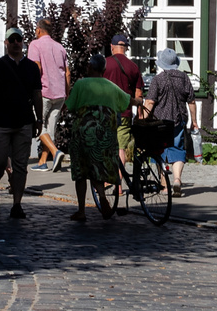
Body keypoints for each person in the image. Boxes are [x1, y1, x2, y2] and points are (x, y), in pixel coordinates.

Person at [0, 27, 42, 218]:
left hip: (24, 121)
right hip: (1, 122)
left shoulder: (32, 67)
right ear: (6, 42)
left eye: (19, 39)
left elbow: (37, 95)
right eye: (13, 39)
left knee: (19, 166)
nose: (17, 43)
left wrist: (39, 118)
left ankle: (17, 204)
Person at [64, 54, 132, 221]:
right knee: (99, 168)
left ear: (90, 67)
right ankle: (102, 197)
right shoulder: (111, 86)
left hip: (83, 133)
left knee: (81, 171)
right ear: (104, 69)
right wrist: (139, 101)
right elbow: (126, 103)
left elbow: (70, 106)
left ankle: (81, 211)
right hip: (105, 134)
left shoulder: (80, 84)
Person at [141, 49, 197, 195]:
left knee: (158, 151)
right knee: (178, 150)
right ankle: (177, 180)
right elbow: (191, 101)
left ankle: (164, 186)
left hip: (160, 122)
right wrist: (194, 121)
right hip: (179, 120)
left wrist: (143, 119)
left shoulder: (158, 79)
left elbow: (150, 102)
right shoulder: (184, 78)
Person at [27, 18, 69, 171]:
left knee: (38, 125)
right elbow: (67, 73)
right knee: (50, 129)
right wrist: (67, 95)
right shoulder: (60, 48)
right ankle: (42, 162)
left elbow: (35, 68)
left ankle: (55, 151)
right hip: (60, 93)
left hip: (44, 92)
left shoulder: (35, 45)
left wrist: (31, 89)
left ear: (38, 30)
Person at [103, 34, 144, 189]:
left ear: (112, 46)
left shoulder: (105, 64)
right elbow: (138, 95)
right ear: (125, 48)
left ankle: (108, 179)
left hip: (106, 112)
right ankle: (118, 184)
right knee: (121, 148)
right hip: (125, 112)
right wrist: (139, 116)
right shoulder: (133, 67)